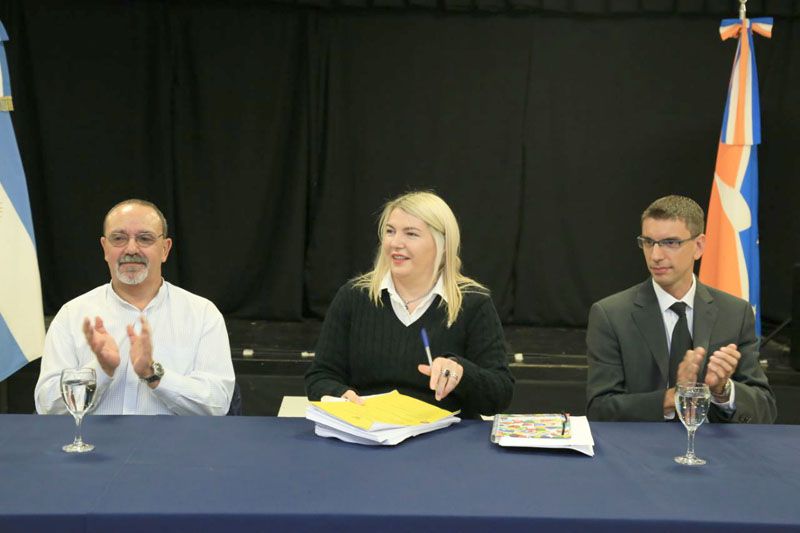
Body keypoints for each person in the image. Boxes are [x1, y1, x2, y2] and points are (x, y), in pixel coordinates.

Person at [305, 191, 514, 418]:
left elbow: (500, 395)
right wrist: (339, 394)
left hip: (446, 444)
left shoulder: (474, 303)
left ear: (442, 244)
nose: (396, 243)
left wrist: (462, 374)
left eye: (411, 234)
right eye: (390, 231)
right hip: (369, 437)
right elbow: (320, 377)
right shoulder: (353, 297)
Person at [586, 195, 776, 423]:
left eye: (670, 243)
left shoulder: (735, 313)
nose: (655, 255)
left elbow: (765, 411)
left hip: (715, 452)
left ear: (698, 246)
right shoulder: (611, 315)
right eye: (648, 242)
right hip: (639, 450)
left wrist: (722, 389)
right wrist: (675, 396)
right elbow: (600, 409)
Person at [35, 199, 235, 415]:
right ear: (105, 248)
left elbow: (217, 404)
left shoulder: (202, 314)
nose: (131, 249)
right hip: (95, 445)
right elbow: (47, 406)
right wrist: (100, 370)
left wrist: (154, 375)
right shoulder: (72, 315)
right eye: (119, 238)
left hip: (174, 446)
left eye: (144, 238)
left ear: (165, 249)